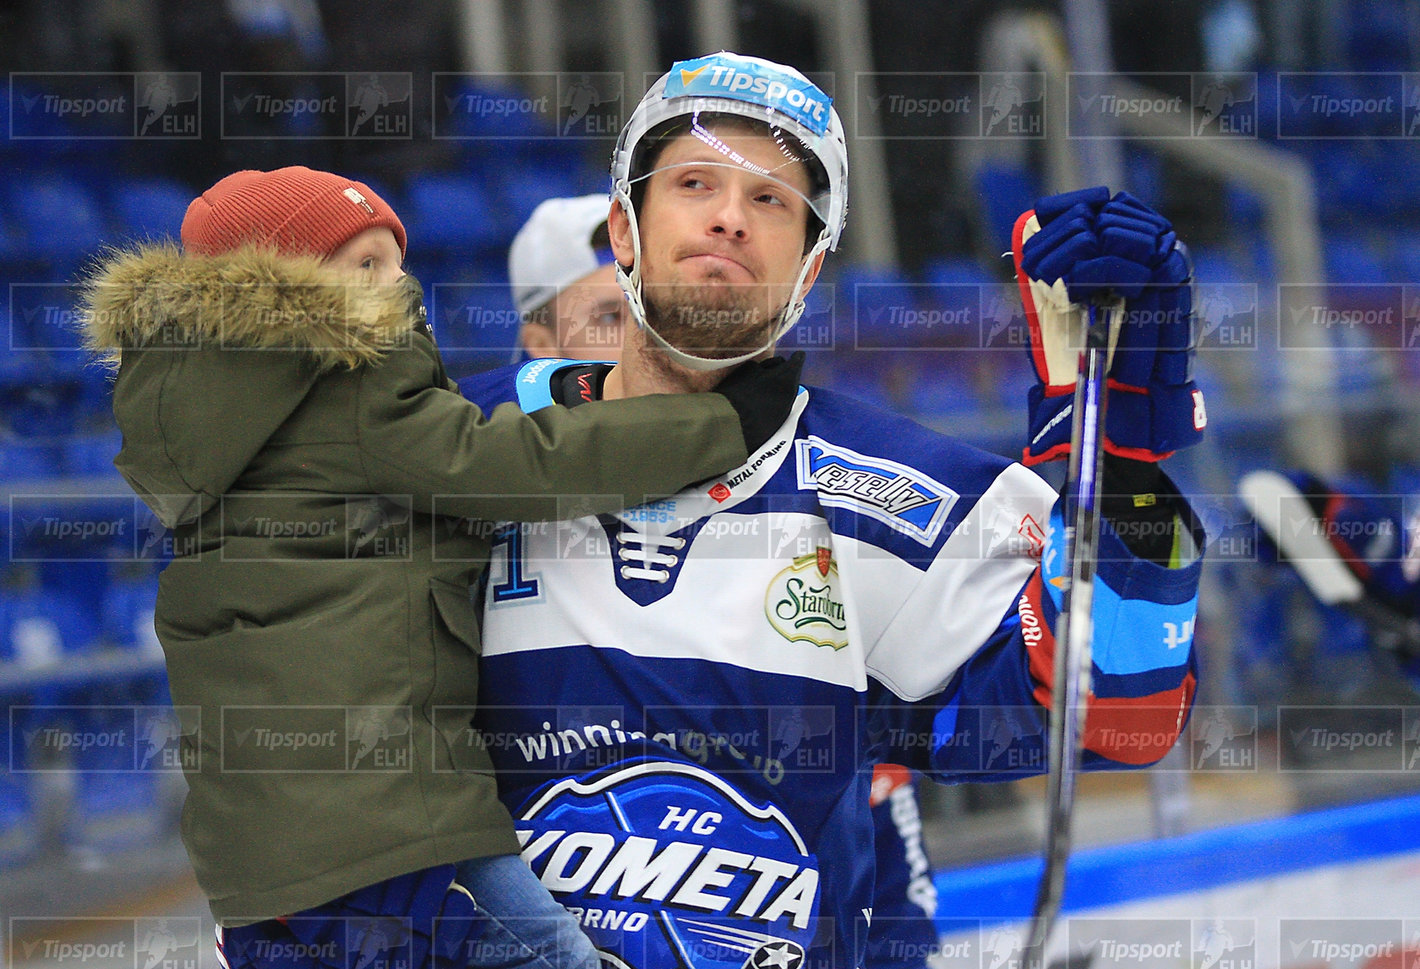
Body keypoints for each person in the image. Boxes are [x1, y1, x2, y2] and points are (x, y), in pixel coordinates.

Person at [459, 51, 1205, 969]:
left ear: (809, 272)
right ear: (623, 229)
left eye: (773, 200)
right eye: (695, 182)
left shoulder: (885, 492)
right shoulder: (453, 444)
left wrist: (1117, 457)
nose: (731, 215)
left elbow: (1124, 717)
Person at [77, 165, 806, 969]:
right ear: (285, 289)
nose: (400, 285)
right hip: (389, 827)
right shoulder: (341, 382)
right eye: (364, 267)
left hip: (261, 862)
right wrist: (718, 423)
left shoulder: (210, 412)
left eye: (396, 261)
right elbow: (509, 464)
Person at [505, 193, 940, 968]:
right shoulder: (465, 511)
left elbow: (884, 869)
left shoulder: (812, 511)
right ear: (538, 344)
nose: (636, 333)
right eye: (607, 315)